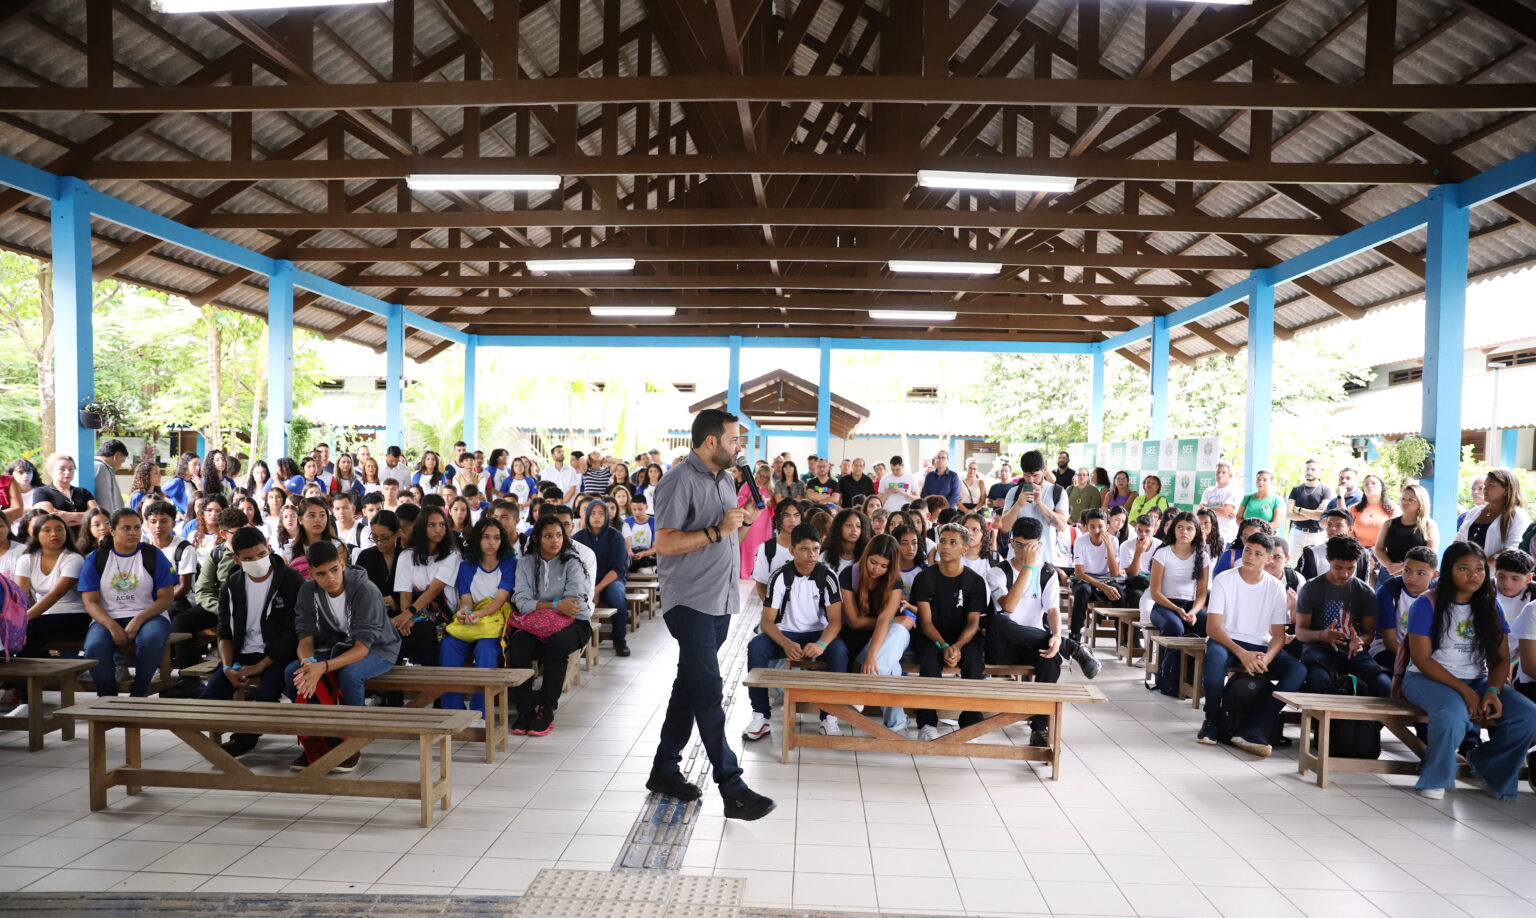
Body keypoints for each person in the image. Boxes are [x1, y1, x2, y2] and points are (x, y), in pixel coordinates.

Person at [649, 408, 773, 820]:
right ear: (710, 442)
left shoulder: (723, 479)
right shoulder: (676, 481)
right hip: (690, 602)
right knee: (707, 690)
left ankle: (664, 769)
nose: (739, 447)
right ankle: (732, 785)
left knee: (689, 684)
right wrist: (719, 530)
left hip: (719, 600)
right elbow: (665, 543)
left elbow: (721, 537)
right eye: (734, 439)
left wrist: (741, 525)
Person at [1401, 541, 1536, 800]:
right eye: (1464, 568)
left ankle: (1486, 764)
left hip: (1477, 679)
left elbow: (1500, 659)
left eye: (1479, 569)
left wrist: (1493, 691)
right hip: (1425, 678)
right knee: (1452, 714)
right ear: (1449, 570)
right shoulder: (1425, 604)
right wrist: (1467, 692)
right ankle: (1436, 776)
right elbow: (1422, 659)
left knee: (1528, 716)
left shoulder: (1491, 606)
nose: (1473, 575)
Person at [285, 541, 401, 773]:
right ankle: (316, 742)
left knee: (351, 674)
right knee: (293, 672)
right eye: (321, 573)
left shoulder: (365, 590)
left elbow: (362, 649)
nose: (330, 578)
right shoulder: (308, 592)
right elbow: (305, 638)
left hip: (379, 648)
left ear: (342, 564)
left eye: (334, 570)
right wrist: (309, 663)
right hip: (339, 646)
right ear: (310, 574)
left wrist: (324, 666)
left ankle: (350, 743)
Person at [988, 518, 1101, 744]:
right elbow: (1008, 606)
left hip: (1034, 644)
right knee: (998, 622)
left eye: (1029, 546)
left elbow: (1052, 610)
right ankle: (1073, 647)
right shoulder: (998, 572)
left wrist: (1057, 635)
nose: (1023, 551)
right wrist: (1028, 567)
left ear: (1039, 545)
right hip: (1003, 647)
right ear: (1011, 543)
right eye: (1018, 545)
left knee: (1051, 657)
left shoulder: (1047, 572)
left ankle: (1040, 729)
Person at [1198, 531, 1305, 756]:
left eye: (1258, 554)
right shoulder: (1224, 579)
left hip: (1259, 643)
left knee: (1297, 670)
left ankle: (1255, 725)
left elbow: (1278, 635)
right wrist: (1242, 654)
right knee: (1215, 662)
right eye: (1248, 550)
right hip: (1226, 639)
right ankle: (1211, 721)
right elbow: (1213, 628)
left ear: (1267, 559)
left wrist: (1266, 658)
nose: (1250, 557)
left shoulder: (1275, 587)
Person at [199, 526, 301, 757]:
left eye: (261, 555)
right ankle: (247, 728)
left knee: (265, 694)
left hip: (277, 655)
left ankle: (243, 740)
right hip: (240, 655)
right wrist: (226, 667)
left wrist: (262, 664)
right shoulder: (232, 585)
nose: (256, 561)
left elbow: (294, 631)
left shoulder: (289, 579)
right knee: (204, 704)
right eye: (248, 558)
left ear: (268, 547)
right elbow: (224, 632)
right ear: (237, 559)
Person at [743, 523, 849, 738]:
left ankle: (829, 716)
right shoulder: (779, 577)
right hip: (787, 634)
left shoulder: (827, 577)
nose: (811, 555)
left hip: (817, 634)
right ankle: (761, 715)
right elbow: (767, 623)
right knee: (756, 647)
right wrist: (786, 643)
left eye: (816, 549)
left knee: (839, 651)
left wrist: (821, 644)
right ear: (792, 550)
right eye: (804, 549)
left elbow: (836, 621)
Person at [507, 514, 593, 737]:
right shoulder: (525, 563)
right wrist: (555, 604)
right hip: (536, 625)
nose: (555, 540)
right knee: (518, 646)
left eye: (558, 535)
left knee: (557, 644)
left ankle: (546, 709)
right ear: (536, 538)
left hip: (576, 624)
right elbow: (522, 602)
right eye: (548, 536)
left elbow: (573, 606)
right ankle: (524, 709)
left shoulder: (572, 562)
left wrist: (544, 606)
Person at [78, 508, 176, 697]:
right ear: (112, 531)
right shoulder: (97, 558)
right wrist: (111, 626)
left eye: (137, 528)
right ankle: (108, 697)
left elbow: (166, 598)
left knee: (151, 639)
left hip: (150, 615)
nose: (133, 532)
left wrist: (138, 620)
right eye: (126, 528)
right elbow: (90, 602)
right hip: (108, 617)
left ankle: (138, 694)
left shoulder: (153, 555)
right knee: (94, 646)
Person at [911, 523, 989, 741]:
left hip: (963, 637)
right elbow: (925, 622)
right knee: (928, 660)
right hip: (932, 637)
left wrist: (958, 646)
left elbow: (974, 622)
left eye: (953, 542)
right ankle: (926, 722)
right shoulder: (925, 578)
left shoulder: (974, 581)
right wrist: (944, 645)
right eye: (942, 541)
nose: (945, 546)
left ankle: (970, 721)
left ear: (965, 548)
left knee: (974, 661)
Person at [1295, 535, 1392, 697]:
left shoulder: (1365, 592)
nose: (1345, 574)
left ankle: (1363, 723)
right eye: (1338, 567)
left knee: (1384, 685)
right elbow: (1300, 632)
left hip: (1353, 652)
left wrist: (1360, 640)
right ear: (1328, 560)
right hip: (1318, 650)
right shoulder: (1311, 588)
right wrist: (1322, 635)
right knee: (1318, 681)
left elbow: (1369, 633)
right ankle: (1319, 722)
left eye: (1350, 568)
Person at [443, 516, 517, 720]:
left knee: (486, 650)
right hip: (474, 620)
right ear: (477, 539)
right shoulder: (467, 566)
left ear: (502, 540)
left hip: (493, 622)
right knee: (448, 645)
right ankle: (453, 710)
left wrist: (478, 614)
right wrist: (464, 612)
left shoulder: (510, 563)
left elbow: (501, 600)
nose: (491, 542)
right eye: (486, 537)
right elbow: (465, 599)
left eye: (496, 538)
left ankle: (480, 713)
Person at [840, 535, 914, 731]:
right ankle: (897, 725)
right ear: (865, 557)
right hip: (859, 645)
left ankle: (865, 687)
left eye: (883, 566)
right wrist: (871, 654)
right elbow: (855, 622)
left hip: (887, 641)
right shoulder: (849, 574)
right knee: (893, 669)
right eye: (873, 563)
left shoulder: (894, 580)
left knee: (898, 630)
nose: (876, 569)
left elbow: (884, 621)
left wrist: (873, 657)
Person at [1147, 511, 1210, 690]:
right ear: (1173, 530)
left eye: (1190, 529)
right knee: (1176, 628)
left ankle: (1198, 678)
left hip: (1190, 606)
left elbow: (1202, 595)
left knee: (1211, 627)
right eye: (1180, 527)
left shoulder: (1202, 556)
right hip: (1164, 606)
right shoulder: (1163, 553)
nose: (1184, 532)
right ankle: (1167, 678)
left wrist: (1194, 612)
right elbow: (1155, 592)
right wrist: (1177, 609)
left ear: (1196, 532)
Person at [393, 505, 457, 669]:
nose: (438, 529)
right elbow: (405, 593)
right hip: (416, 615)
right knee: (397, 633)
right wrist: (407, 618)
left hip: (443, 616)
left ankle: (430, 689)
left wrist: (409, 614)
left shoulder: (452, 555)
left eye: (442, 524)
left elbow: (434, 590)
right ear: (422, 527)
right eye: (432, 525)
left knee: (424, 633)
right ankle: (392, 692)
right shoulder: (406, 556)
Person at [573, 499, 630, 656]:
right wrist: (589, 588)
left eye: (601, 513)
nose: (597, 517)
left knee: (617, 595)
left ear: (607, 517)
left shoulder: (616, 537)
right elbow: (575, 567)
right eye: (593, 513)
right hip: (586, 581)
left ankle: (620, 640)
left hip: (611, 580)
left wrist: (597, 589)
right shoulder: (578, 537)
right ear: (587, 516)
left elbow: (618, 569)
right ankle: (579, 640)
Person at [997, 451, 1070, 566]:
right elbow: (1005, 527)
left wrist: (1040, 503)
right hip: (1016, 561)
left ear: (1044, 470)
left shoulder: (1058, 492)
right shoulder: (1014, 492)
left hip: (1046, 560)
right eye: (1026, 475)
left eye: (1035, 475)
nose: (1031, 480)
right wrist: (1018, 505)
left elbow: (1061, 526)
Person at [1371, 545, 1436, 670]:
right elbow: (1390, 643)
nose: (1411, 577)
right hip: (1389, 650)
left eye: (1421, 573)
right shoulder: (1389, 590)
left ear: (1434, 575)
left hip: (1428, 654)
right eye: (1407, 570)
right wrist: (1419, 663)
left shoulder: (1439, 595)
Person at [1068, 509, 1123, 643]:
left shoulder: (1113, 541)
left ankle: (1121, 635)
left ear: (1107, 527)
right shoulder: (1080, 541)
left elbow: (1115, 573)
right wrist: (1103, 587)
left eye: (1100, 526)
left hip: (1106, 577)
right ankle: (1075, 635)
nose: (1097, 530)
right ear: (1086, 527)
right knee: (1083, 591)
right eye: (1092, 526)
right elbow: (1080, 573)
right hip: (1084, 579)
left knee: (1120, 592)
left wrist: (1109, 547)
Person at [1455, 468, 1529, 560]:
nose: (1485, 489)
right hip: (1467, 572)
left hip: (1495, 573)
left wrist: (1482, 566)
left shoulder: (1517, 515)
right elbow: (1458, 540)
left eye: (1491, 485)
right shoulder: (1475, 512)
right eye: (1485, 485)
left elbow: (1511, 550)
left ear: (1506, 490)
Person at [1374, 483, 1439, 576]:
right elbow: (1378, 549)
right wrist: (1391, 567)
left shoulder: (1429, 525)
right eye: (1403, 498)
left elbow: (1430, 556)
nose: (1405, 502)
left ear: (1420, 503)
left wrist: (1403, 567)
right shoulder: (1389, 523)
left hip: (1416, 574)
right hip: (1388, 572)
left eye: (1411, 500)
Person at [1296, 509, 1368, 582]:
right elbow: (1302, 585)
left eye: (1338, 525)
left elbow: (1364, 587)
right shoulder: (1311, 553)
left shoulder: (1362, 554)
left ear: (1350, 529)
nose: (1332, 528)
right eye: (1329, 524)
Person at [31, 453, 97, 530]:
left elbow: (97, 516)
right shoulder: (41, 492)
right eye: (61, 469)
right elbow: (50, 521)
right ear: (50, 471)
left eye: (71, 469)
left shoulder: (83, 491)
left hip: (85, 538)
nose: (67, 472)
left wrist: (68, 516)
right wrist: (86, 519)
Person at [751, 501, 800, 601]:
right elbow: (761, 586)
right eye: (786, 515)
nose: (792, 520)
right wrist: (773, 610)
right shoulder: (766, 548)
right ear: (777, 519)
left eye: (796, 515)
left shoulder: (810, 547)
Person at [1286, 459, 1333, 557]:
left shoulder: (1325, 490)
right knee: (1294, 567)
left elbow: (1320, 515)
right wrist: (1313, 514)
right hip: (1297, 533)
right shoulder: (1296, 489)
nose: (1309, 472)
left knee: (1316, 568)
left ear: (1319, 473)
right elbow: (1289, 514)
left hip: (1317, 535)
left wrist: (1299, 510)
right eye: (1307, 469)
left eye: (1313, 469)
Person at [1117, 514, 1160, 612]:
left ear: (1154, 531)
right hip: (1135, 584)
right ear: (1135, 529)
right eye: (1140, 530)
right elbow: (1132, 574)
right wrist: (1139, 553)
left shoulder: (1161, 546)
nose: (1143, 534)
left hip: (1154, 584)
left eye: (1147, 531)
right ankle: (1135, 627)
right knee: (1137, 595)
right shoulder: (1126, 546)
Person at [1197, 461, 1241, 547]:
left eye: (1224, 472)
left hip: (1226, 536)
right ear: (1215, 474)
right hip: (1208, 536)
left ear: (1230, 475)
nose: (1220, 474)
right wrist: (1221, 509)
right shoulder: (1208, 491)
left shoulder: (1234, 490)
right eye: (1218, 472)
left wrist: (1208, 509)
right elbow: (1201, 512)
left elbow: (1226, 511)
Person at [1349, 473, 1393, 550]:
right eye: (1366, 484)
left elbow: (1395, 533)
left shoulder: (1392, 508)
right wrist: (1360, 550)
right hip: (1358, 551)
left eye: (1373, 483)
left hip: (1384, 553)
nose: (1369, 485)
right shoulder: (1354, 508)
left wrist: (1373, 550)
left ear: (1382, 487)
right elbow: (1348, 530)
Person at [821, 508, 869, 577]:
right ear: (839, 527)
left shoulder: (867, 557)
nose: (854, 530)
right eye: (849, 525)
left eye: (858, 526)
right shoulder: (825, 556)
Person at [624, 492, 658, 574]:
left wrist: (642, 554)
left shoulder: (654, 522)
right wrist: (630, 552)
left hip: (648, 558)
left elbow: (655, 547)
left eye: (640, 509)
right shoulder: (626, 522)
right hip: (630, 556)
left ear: (646, 507)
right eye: (634, 509)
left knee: (644, 572)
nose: (637, 512)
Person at [90, 440, 128, 514]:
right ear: (116, 456)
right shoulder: (101, 467)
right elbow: (104, 499)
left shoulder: (102, 467)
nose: (120, 466)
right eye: (122, 461)